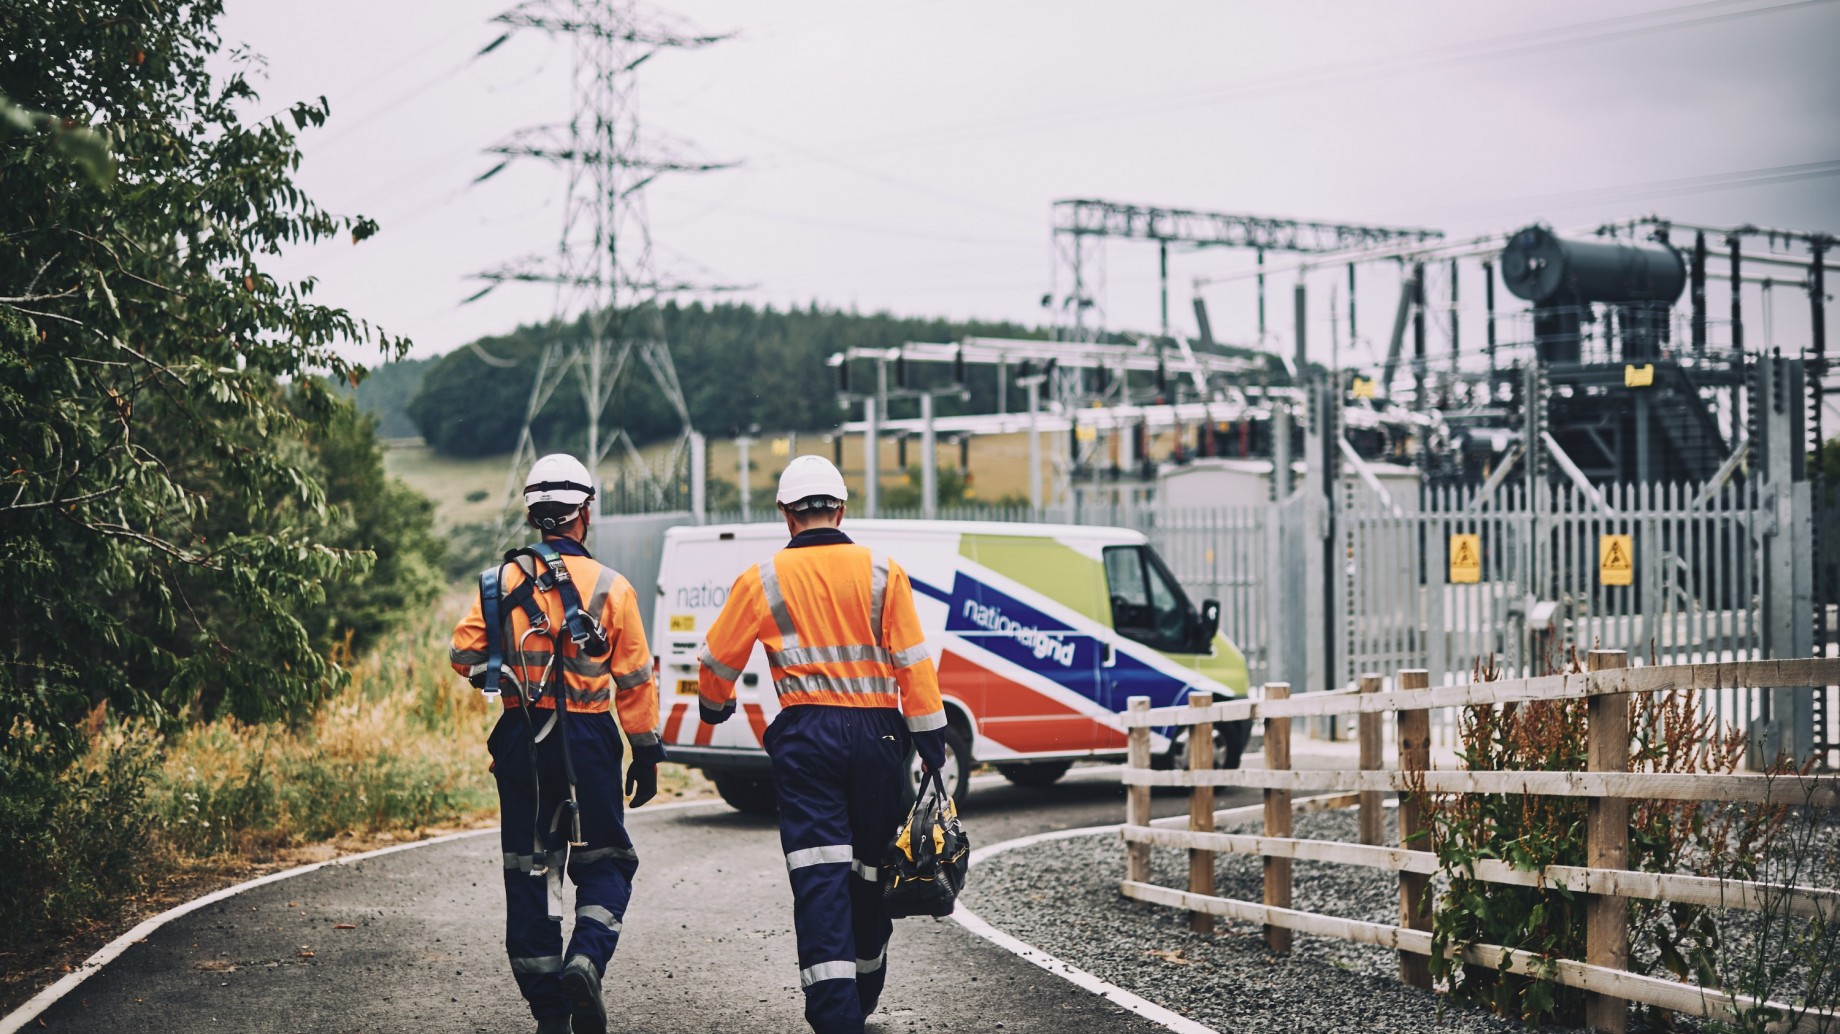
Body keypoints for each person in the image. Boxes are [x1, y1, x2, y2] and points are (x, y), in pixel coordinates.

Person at [697, 455, 946, 1034]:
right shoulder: (885, 571)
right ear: (840, 507)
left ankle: (836, 1018)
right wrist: (931, 742)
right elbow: (913, 663)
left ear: (787, 514)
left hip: (807, 737)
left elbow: (716, 660)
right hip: (880, 736)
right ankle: (865, 985)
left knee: (818, 873)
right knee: (871, 869)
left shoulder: (762, 579)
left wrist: (715, 705)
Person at [449, 453, 665, 1034]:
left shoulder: (499, 584)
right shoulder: (613, 588)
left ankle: (551, 1014)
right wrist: (645, 750)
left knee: (532, 870)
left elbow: (464, 655)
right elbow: (635, 680)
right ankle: (586, 959)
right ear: (583, 514)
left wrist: (505, 665)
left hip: (523, 738)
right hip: (590, 741)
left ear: (534, 516)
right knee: (606, 863)